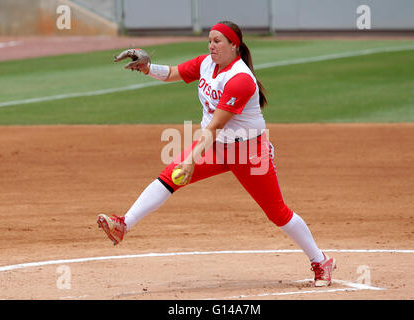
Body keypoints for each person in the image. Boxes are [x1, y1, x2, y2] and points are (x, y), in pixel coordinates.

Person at [97, 21, 336, 287]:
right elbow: (174, 72)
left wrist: (190, 160)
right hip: (215, 146)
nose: (212, 45)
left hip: (249, 152)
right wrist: (147, 67)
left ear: (235, 45)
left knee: (277, 212)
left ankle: (320, 260)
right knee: (169, 177)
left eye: (218, 41)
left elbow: (215, 125)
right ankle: (123, 225)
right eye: (210, 40)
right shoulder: (206, 63)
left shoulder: (240, 79)